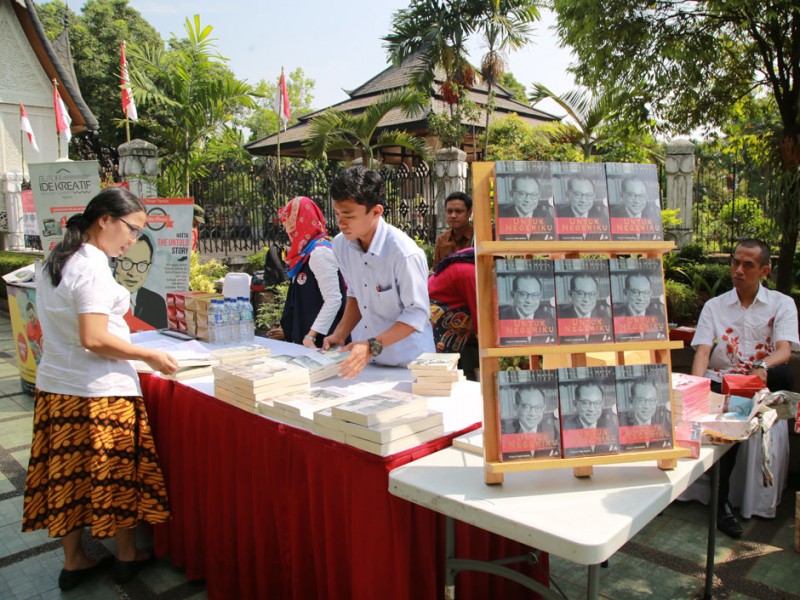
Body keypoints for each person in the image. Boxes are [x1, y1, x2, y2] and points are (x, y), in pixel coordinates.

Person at [21, 188, 179, 591]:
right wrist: (148, 355)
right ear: (104, 219)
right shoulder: (90, 266)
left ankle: (73, 559)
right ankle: (127, 554)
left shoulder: (57, 259)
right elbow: (93, 337)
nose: (133, 239)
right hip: (100, 394)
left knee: (68, 477)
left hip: (58, 389)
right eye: (131, 228)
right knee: (117, 474)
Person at [691, 239, 799, 539]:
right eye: (735, 262)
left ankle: (721, 501)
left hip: (761, 381)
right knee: (730, 408)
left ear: (764, 270)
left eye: (748, 265)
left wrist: (762, 366)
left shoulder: (781, 303)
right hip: (722, 379)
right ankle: (720, 503)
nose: (738, 270)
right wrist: (696, 389)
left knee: (782, 376)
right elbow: (702, 352)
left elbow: (784, 350)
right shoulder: (715, 306)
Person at [322, 166, 434, 377]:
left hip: (409, 363)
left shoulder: (404, 253)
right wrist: (340, 333)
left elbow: (417, 313)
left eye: (349, 215)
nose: (341, 223)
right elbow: (355, 293)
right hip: (367, 360)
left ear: (376, 212)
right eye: (337, 214)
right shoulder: (340, 245)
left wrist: (371, 346)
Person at [268, 196, 346, 348]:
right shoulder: (304, 253)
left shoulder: (320, 252)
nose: (288, 231)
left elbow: (333, 300)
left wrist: (311, 335)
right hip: (307, 341)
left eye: (290, 224)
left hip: (322, 343)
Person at [427, 247, 478, 379]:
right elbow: (482, 319)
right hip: (439, 321)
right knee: (435, 376)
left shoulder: (471, 257)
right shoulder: (472, 274)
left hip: (441, 314)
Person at [114, 233, 168, 329]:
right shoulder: (100, 296)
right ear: (115, 262)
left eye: (142, 265)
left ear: (149, 268)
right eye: (127, 263)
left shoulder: (156, 303)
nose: (133, 273)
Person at [561, 382, 619, 454]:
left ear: (602, 404)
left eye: (597, 403)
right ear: (575, 403)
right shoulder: (566, 427)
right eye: (585, 403)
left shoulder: (611, 425)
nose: (592, 409)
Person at [433, 192, 473, 267]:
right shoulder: (442, 240)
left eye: (458, 211)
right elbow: (437, 270)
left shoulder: (477, 238)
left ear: (469, 213)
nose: (453, 216)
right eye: (449, 211)